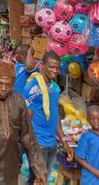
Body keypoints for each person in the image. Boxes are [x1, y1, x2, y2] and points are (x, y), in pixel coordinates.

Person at [23, 51, 73, 185]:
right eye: (51, 67)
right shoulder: (33, 88)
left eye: (57, 67)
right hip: (39, 143)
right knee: (37, 180)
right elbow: (26, 117)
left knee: (44, 178)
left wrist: (64, 141)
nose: (55, 71)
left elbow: (55, 116)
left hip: (52, 143)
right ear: (42, 66)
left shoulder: (55, 88)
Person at [75, 105, 99, 184]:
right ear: (87, 120)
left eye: (98, 119)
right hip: (91, 179)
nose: (96, 121)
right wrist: (96, 172)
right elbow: (78, 157)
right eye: (92, 119)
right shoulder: (86, 137)